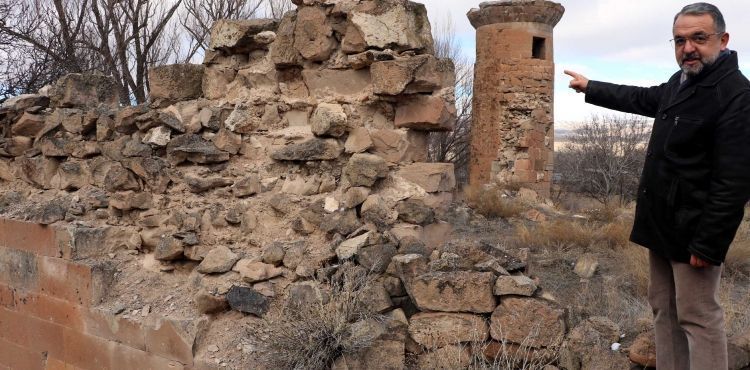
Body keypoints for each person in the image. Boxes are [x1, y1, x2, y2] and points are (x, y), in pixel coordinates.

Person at [565, 2, 750, 369]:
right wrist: (592, 87)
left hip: (695, 230)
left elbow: (734, 182)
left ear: (723, 40)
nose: (688, 48)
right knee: (663, 308)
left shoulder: (735, 95)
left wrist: (708, 244)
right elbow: (641, 98)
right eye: (680, 40)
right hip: (662, 222)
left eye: (699, 38)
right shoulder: (681, 82)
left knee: (698, 317)